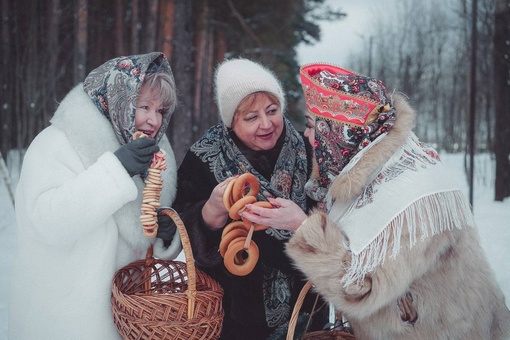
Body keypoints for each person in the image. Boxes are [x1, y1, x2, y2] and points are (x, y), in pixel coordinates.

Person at [285, 63, 510, 339]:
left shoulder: (406, 194)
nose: (307, 136)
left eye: (312, 126)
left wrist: (303, 228)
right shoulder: (383, 167)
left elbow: (360, 290)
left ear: (340, 132)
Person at [8, 52, 182, 340]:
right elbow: (45, 220)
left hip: (121, 319)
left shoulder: (151, 156)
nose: (153, 120)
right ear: (119, 99)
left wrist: (161, 234)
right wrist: (115, 171)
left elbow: (135, 241)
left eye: (161, 111)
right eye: (145, 107)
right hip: (62, 318)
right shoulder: (56, 143)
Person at [172, 58, 327, 339]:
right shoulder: (203, 159)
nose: (266, 124)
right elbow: (174, 233)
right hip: (233, 317)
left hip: (306, 310)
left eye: (272, 110)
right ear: (231, 122)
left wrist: (302, 222)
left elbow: (339, 228)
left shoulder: (308, 149)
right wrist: (209, 212)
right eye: (251, 117)